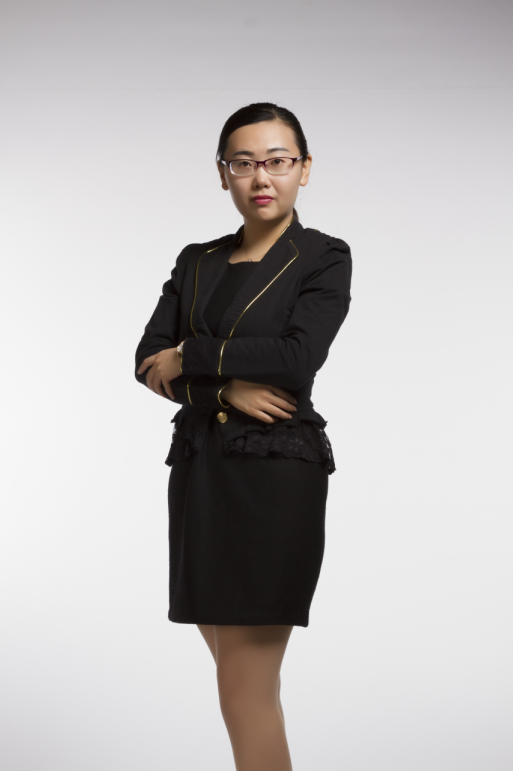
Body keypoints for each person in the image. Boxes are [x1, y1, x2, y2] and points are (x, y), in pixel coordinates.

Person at [134, 102, 352, 771]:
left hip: (274, 473)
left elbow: (295, 358)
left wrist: (191, 355)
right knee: (239, 677)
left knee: (243, 685)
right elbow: (146, 361)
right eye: (244, 162)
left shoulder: (323, 256)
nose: (262, 177)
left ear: (304, 169)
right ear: (222, 172)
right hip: (201, 469)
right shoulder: (196, 260)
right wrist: (224, 390)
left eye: (278, 161)